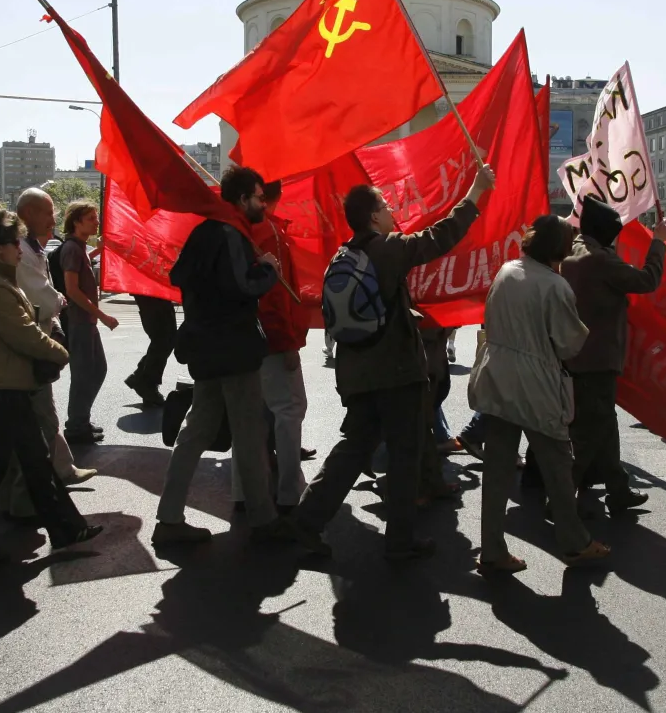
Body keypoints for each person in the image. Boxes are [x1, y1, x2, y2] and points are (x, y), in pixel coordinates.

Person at [287, 164, 495, 560]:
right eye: (384, 205)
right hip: (397, 373)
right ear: (373, 216)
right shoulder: (387, 249)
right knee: (404, 455)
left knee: (353, 447)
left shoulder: (344, 254)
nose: (390, 210)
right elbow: (439, 238)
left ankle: (305, 521)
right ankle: (400, 540)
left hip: (359, 372)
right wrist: (475, 193)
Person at [0, 207, 101, 567]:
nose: (19, 249)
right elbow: (23, 332)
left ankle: (67, 528)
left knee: (34, 461)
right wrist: (60, 352)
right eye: (11, 243)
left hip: (4, 385)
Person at [153, 166, 285, 544]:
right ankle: (263, 519)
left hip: (205, 349)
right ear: (242, 200)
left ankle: (169, 520)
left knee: (197, 431)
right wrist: (268, 271)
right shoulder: (230, 233)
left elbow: (188, 281)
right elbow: (243, 286)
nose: (262, 203)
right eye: (259, 197)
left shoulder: (204, 232)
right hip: (234, 349)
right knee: (249, 433)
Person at [470, 215, 609, 573]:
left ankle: (491, 549)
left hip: (498, 377)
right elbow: (568, 345)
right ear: (560, 249)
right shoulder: (555, 286)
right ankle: (575, 542)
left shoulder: (506, 271)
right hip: (535, 385)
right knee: (559, 466)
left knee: (498, 468)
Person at [560, 195, 666, 515]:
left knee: (603, 425)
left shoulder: (573, 251)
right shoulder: (599, 259)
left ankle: (618, 487)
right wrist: (659, 242)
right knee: (589, 433)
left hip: (578, 356)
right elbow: (646, 280)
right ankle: (560, 498)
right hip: (596, 357)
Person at [230, 179, 309, 511]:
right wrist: (287, 342)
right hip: (270, 341)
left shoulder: (237, 229)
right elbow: (273, 295)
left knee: (249, 418)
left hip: (243, 339)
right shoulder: (268, 233)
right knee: (289, 411)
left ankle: (244, 490)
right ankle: (290, 491)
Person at [8, 189, 93, 490]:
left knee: (44, 413)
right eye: (47, 212)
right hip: (28, 345)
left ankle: (62, 468)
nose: (52, 218)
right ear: (28, 214)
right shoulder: (20, 250)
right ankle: (30, 490)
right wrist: (58, 301)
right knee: (42, 414)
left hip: (38, 339)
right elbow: (42, 296)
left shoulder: (33, 247)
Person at [60, 199, 115, 445]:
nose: (97, 222)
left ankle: (80, 419)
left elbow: (80, 269)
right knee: (84, 374)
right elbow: (72, 289)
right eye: (92, 218)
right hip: (80, 321)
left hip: (87, 321)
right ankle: (75, 426)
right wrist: (102, 315)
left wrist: (97, 251)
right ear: (76, 221)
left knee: (97, 370)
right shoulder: (72, 248)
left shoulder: (79, 247)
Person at [126, 295, 176, 406]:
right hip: (152, 293)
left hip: (153, 293)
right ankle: (146, 383)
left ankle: (142, 379)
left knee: (164, 339)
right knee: (164, 338)